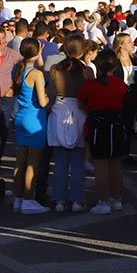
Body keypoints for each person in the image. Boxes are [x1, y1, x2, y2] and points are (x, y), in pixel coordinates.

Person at [78, 49, 129, 213]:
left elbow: (81, 104)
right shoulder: (120, 84)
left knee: (101, 166)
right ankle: (116, 199)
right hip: (116, 126)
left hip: (98, 126)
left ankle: (103, 201)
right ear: (114, 67)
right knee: (115, 165)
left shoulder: (90, 85)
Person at [47, 38, 92, 212]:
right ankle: (77, 200)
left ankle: (59, 200)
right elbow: (89, 93)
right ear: (81, 51)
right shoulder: (86, 70)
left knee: (60, 161)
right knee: (78, 161)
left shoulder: (55, 69)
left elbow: (51, 93)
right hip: (79, 111)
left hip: (59, 109)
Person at [11, 38, 50, 214]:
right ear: (36, 51)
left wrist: (38, 54)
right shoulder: (37, 74)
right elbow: (42, 102)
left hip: (20, 117)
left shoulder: (17, 69)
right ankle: (29, 199)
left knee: (20, 161)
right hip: (34, 119)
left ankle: (18, 198)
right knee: (32, 163)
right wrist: (49, 98)